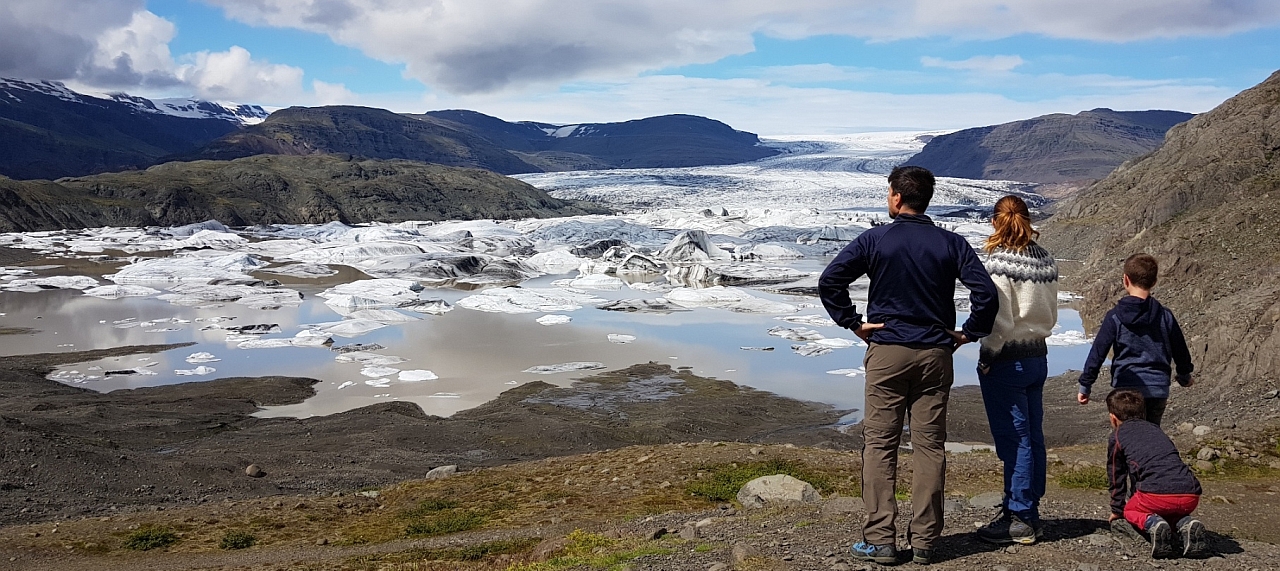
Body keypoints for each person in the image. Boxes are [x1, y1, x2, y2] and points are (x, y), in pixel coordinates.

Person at [819, 165, 999, 566]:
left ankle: (881, 539)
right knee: (930, 446)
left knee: (881, 445)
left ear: (897, 197)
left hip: (887, 352)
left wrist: (853, 322)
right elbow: (986, 294)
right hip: (935, 354)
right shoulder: (951, 243)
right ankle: (925, 542)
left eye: (888, 194)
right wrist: (968, 333)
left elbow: (830, 280)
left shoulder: (875, 239)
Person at [972, 196, 1059, 545]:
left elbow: (1000, 320)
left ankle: (1019, 516)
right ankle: (1027, 507)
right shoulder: (1045, 258)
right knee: (1032, 436)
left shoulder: (999, 263)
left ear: (996, 221)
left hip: (1008, 359)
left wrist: (988, 356)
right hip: (1038, 355)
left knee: (1015, 439)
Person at [1077, 253, 1194, 425]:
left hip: (1126, 391)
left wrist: (1085, 386)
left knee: (1127, 439)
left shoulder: (1115, 317)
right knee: (1151, 435)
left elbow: (1098, 352)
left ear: (1125, 280)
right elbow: (1180, 349)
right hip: (1157, 389)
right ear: (1154, 282)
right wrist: (1184, 376)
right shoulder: (1165, 316)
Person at [1105, 389, 1207, 559]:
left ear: (1113, 418)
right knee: (1169, 509)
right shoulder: (1156, 430)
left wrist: (1117, 509)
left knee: (1130, 510)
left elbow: (1116, 474)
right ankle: (1185, 522)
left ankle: (1153, 523)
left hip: (1156, 495)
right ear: (1143, 412)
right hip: (1190, 495)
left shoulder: (1117, 436)